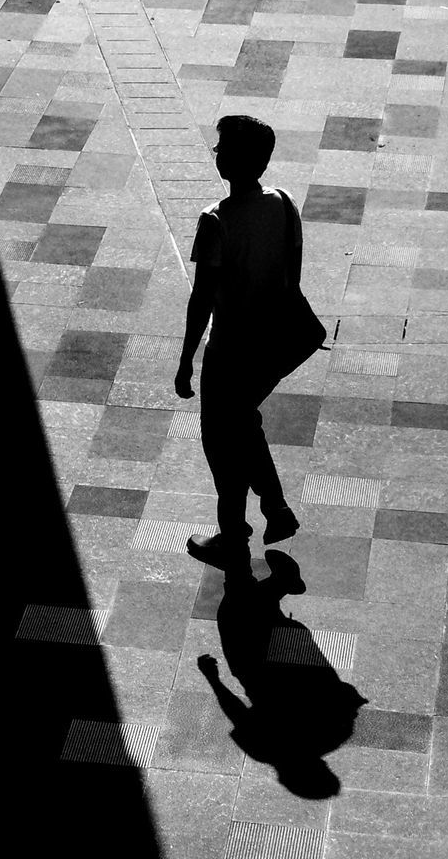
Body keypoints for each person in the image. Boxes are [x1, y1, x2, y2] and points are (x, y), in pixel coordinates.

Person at [174, 115, 301, 570]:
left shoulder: (216, 221)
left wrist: (186, 359)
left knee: (220, 444)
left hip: (229, 352)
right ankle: (275, 506)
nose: (216, 154)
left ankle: (233, 536)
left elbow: (201, 299)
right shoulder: (282, 203)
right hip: (271, 347)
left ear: (239, 159)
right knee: (245, 427)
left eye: (222, 147)